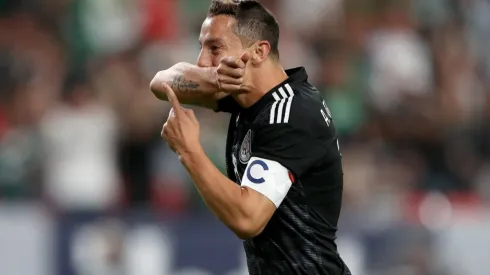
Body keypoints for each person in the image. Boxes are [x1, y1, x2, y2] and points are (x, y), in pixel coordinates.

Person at [150, 0, 351, 274]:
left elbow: (248, 218)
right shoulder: (251, 96)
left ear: (258, 52)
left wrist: (189, 152)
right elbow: (161, 82)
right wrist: (213, 80)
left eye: (215, 48)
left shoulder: (291, 114)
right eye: (201, 47)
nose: (201, 61)